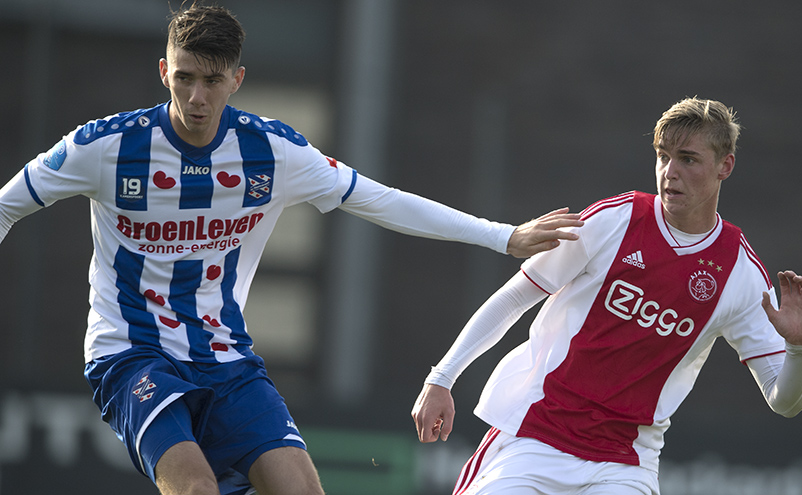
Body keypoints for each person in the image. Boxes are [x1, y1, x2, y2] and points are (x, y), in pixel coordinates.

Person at [0, 4, 584, 495]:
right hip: (131, 353)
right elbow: (6, 205)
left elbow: (381, 200)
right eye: (184, 78)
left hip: (225, 356)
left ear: (237, 79)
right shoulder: (104, 147)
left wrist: (502, 236)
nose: (197, 97)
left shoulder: (272, 152)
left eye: (212, 80)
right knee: (196, 489)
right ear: (163, 72)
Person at [412, 97, 802, 495]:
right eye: (663, 156)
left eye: (688, 159)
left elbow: (785, 402)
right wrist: (442, 378)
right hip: (535, 438)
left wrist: (800, 348)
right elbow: (514, 298)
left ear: (725, 166)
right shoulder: (614, 220)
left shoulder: (740, 274)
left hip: (625, 465)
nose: (670, 173)